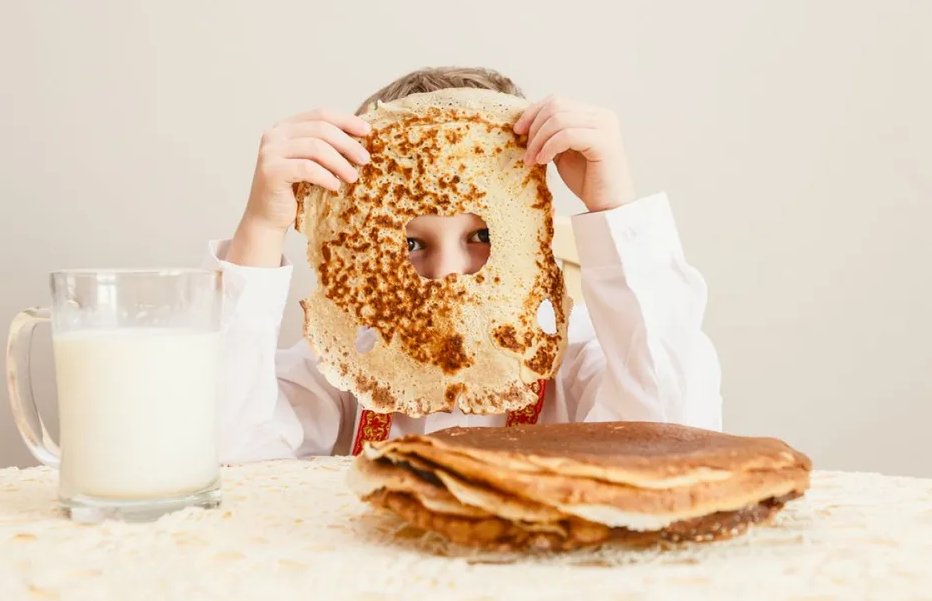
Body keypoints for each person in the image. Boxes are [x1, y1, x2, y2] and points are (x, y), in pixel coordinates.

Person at [208, 66, 721, 462]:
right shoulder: (346, 373)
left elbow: (673, 434)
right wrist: (260, 227)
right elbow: (223, 451)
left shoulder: (578, 363)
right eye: (411, 244)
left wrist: (615, 209)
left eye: (481, 235)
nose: (448, 273)